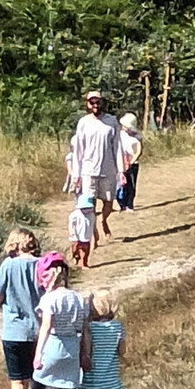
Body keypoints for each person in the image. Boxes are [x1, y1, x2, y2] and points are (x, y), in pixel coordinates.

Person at [0, 228, 45, 389]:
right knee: (38, 380)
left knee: (18, 381)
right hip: (39, 329)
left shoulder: (8, 264)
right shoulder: (42, 264)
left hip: (14, 330)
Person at [70, 90, 123, 245]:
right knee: (89, 203)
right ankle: (93, 234)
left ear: (102, 103)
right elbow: (78, 150)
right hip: (88, 170)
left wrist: (121, 171)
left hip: (108, 169)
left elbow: (117, 146)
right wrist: (76, 174)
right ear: (87, 104)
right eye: (91, 102)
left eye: (97, 102)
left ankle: (104, 220)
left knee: (108, 201)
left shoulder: (111, 121)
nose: (95, 105)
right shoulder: (84, 123)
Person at [32, 252, 87, 389]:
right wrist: (85, 352)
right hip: (72, 346)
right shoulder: (78, 298)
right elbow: (84, 327)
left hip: (53, 345)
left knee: (38, 385)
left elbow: (46, 326)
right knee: (68, 387)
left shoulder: (49, 299)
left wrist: (38, 354)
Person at [79, 290, 127, 389]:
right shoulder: (118, 326)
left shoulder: (89, 327)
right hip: (110, 377)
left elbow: (86, 349)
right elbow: (122, 351)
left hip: (91, 376)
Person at [115, 113, 142, 212]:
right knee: (121, 184)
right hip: (121, 163)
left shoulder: (136, 137)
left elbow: (138, 151)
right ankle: (122, 204)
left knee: (131, 184)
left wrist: (132, 161)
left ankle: (129, 204)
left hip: (132, 164)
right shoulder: (120, 135)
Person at [68, 193, 97, 267]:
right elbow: (71, 223)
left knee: (86, 250)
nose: (87, 210)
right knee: (75, 247)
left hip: (86, 236)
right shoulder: (75, 214)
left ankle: (84, 263)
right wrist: (71, 232)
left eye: (88, 208)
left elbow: (93, 225)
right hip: (76, 236)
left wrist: (95, 233)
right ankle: (75, 255)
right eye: (84, 208)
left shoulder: (92, 215)